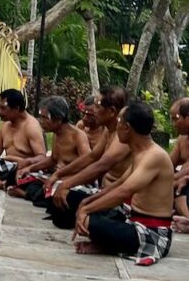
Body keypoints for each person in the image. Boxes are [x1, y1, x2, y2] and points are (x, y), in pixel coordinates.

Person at [74, 103, 175, 265]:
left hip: (151, 233)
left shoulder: (154, 155)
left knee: (87, 220)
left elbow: (124, 191)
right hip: (133, 220)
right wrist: (87, 202)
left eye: (119, 121)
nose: (116, 126)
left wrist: (86, 209)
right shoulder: (140, 152)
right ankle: (109, 243)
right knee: (81, 208)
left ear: (127, 127)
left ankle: (109, 245)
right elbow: (120, 183)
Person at [45, 85, 131, 229]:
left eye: (97, 106)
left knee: (67, 201)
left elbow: (101, 165)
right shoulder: (109, 131)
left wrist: (67, 183)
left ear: (111, 112)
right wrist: (59, 175)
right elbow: (91, 157)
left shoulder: (124, 136)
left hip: (121, 200)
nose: (93, 110)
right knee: (58, 203)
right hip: (103, 192)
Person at [10, 96, 90, 201]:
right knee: (20, 176)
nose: (41, 121)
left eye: (45, 118)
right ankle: (32, 193)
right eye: (41, 117)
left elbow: (88, 161)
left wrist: (65, 175)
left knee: (62, 194)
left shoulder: (78, 136)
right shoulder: (56, 134)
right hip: (55, 177)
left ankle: (27, 195)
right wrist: (30, 168)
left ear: (58, 119)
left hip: (71, 180)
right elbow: (52, 159)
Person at [169, 97, 189, 231]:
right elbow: (167, 165)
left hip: (188, 188)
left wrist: (181, 178)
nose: (174, 124)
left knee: (180, 186)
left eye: (176, 118)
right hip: (183, 190)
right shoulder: (182, 140)